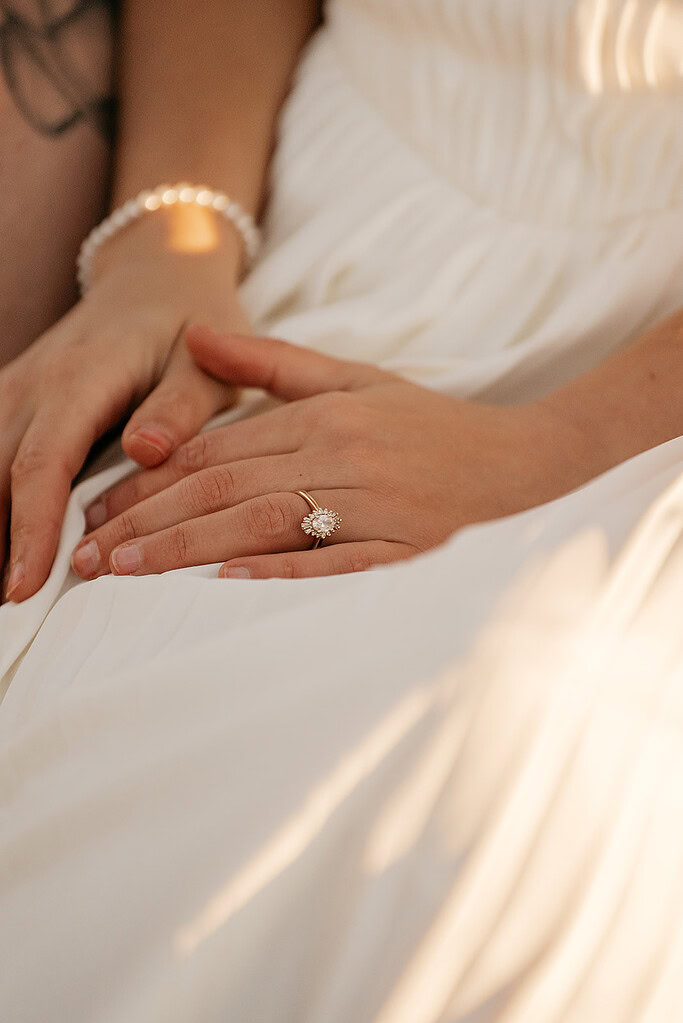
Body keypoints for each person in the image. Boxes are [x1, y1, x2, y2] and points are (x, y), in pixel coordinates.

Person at [2, 1, 683, 1019]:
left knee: (503, 732)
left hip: (643, 409)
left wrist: (560, 444)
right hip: (311, 215)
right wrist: (169, 238)